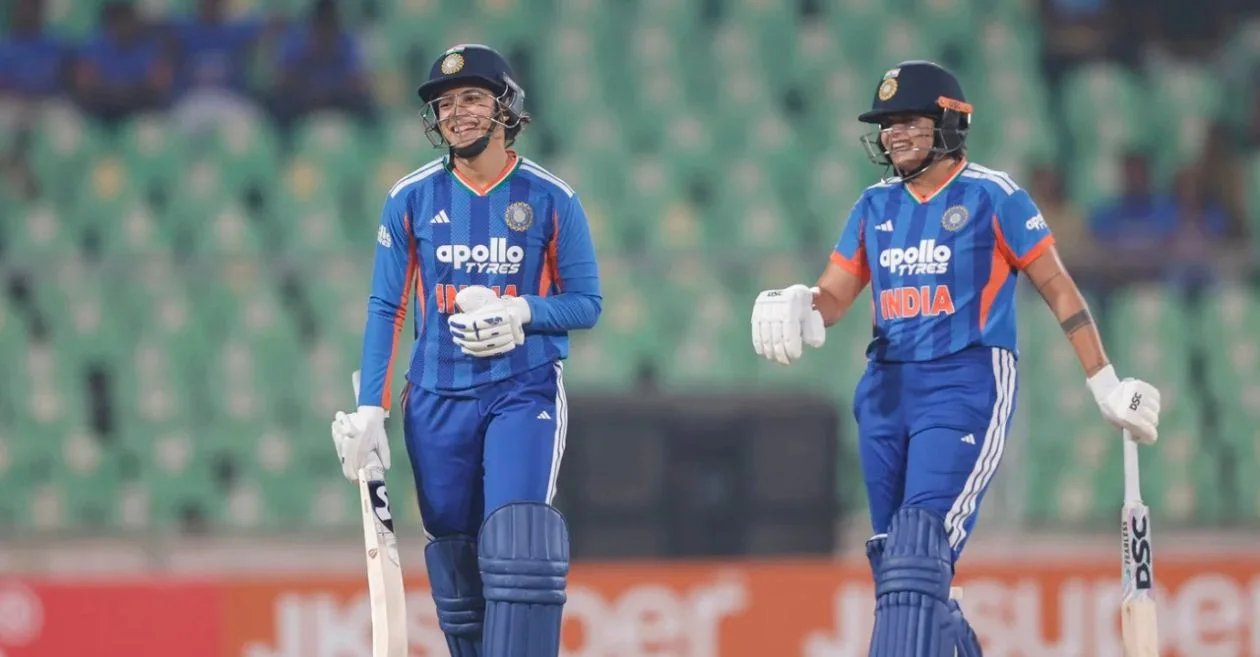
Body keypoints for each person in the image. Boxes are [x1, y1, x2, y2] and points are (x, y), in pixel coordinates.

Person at [749, 60, 1163, 656]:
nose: (893, 135)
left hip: (965, 381)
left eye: (907, 121)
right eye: (886, 124)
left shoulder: (994, 196)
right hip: (885, 389)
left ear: (948, 122)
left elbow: (1058, 287)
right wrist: (802, 302)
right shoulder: (874, 206)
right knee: (898, 563)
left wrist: (1105, 383)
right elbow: (834, 295)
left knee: (918, 550)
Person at [330, 44, 602, 657]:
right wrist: (371, 408)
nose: (457, 113)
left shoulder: (552, 197)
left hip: (522, 389)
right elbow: (387, 307)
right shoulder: (411, 197)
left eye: (473, 97)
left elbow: (586, 303)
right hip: (435, 398)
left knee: (519, 545)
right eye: (445, 104)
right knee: (455, 559)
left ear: (506, 107)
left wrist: (525, 312)